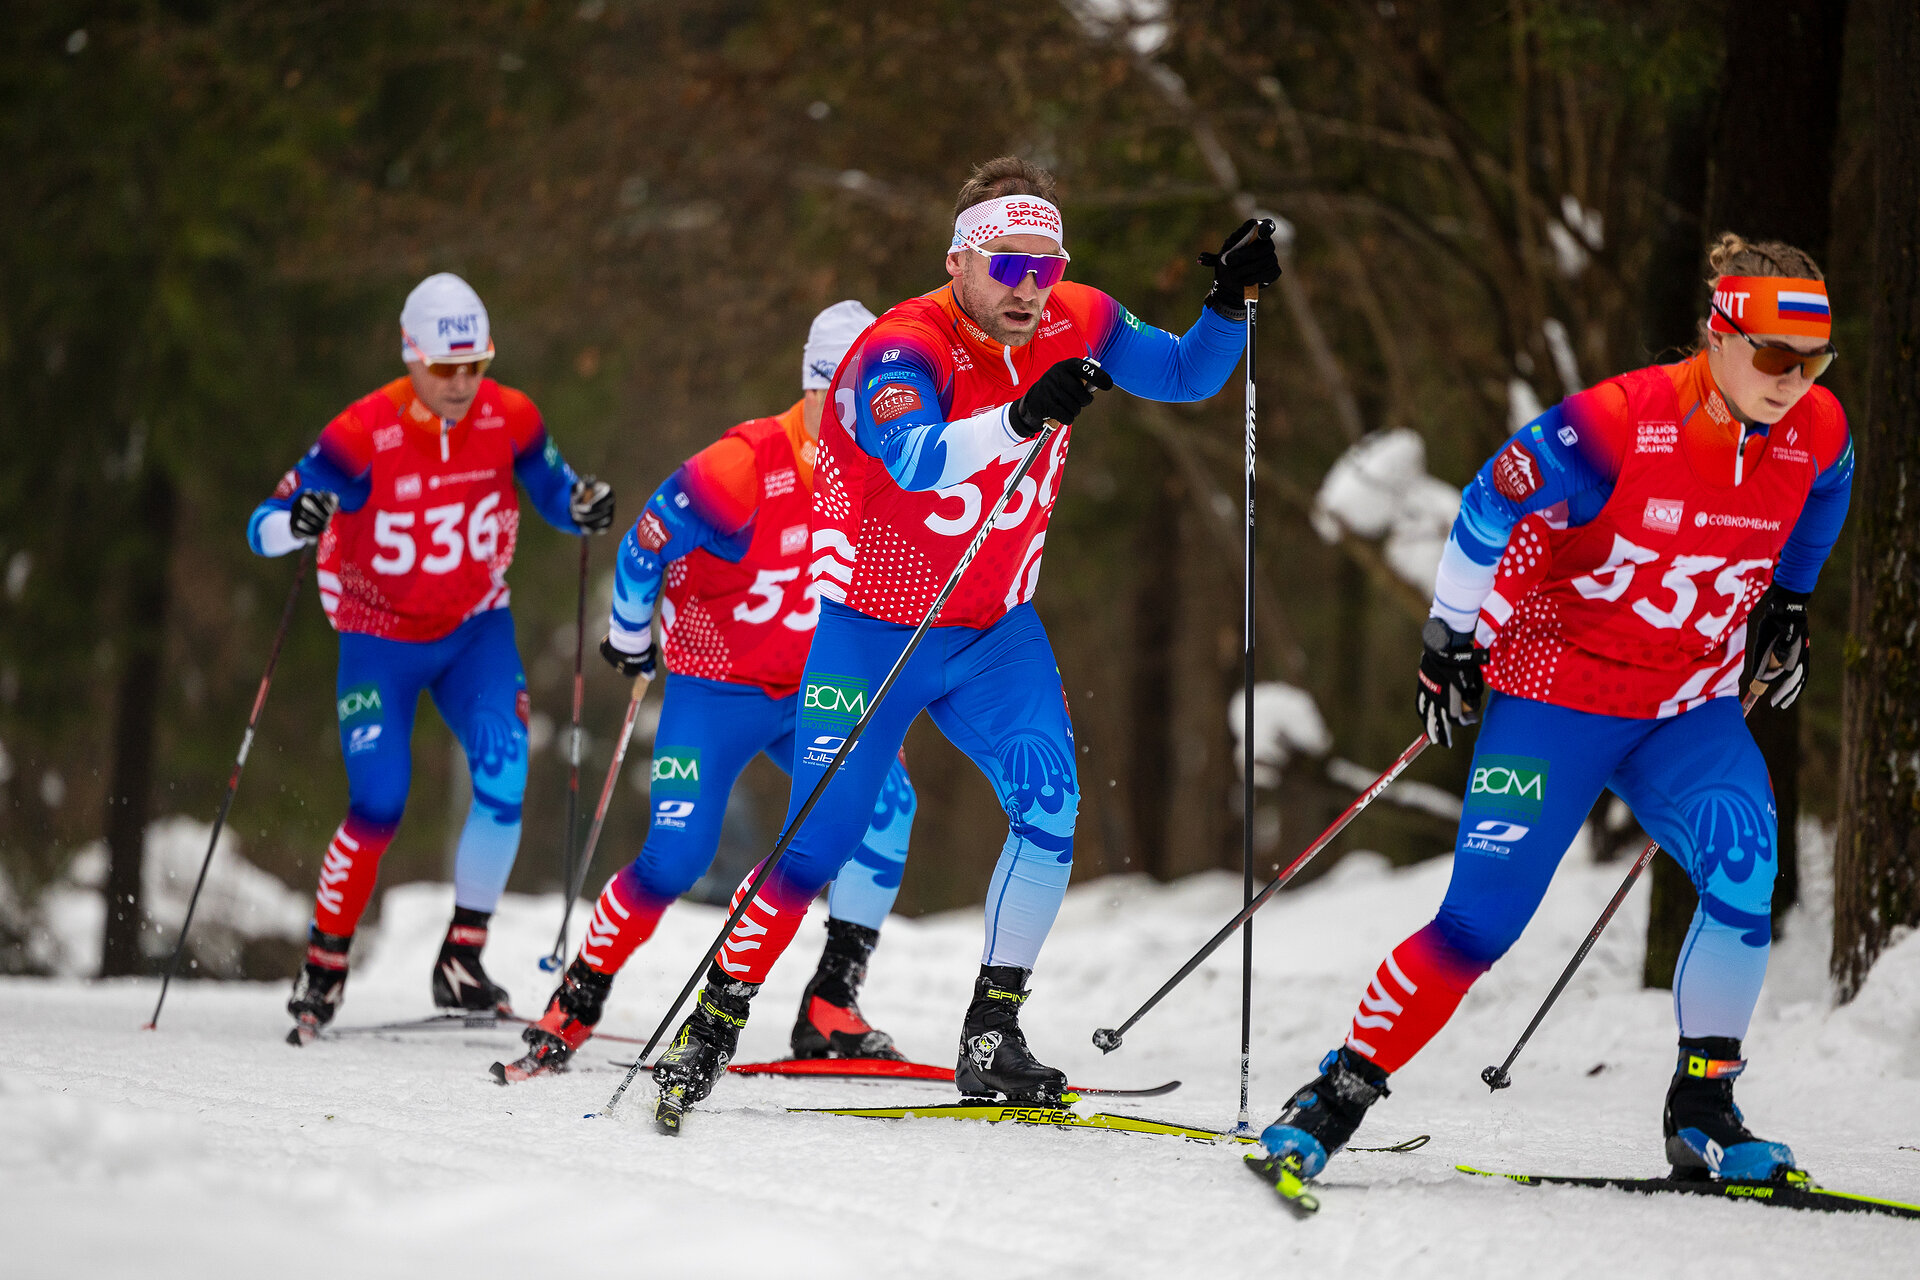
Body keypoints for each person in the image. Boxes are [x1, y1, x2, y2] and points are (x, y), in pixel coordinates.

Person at [649, 156, 1280, 1121]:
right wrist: (1022, 416)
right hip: (872, 634)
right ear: (959, 262)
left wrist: (1228, 303)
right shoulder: (902, 346)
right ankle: (715, 1022)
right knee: (821, 841)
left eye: (1046, 266)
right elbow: (914, 460)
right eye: (1008, 267)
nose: (1030, 288)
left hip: (993, 631)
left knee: (1050, 808)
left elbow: (1189, 376)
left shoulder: (1078, 316)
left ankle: (993, 1033)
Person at [1254, 234, 1852, 1187]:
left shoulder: (1817, 426)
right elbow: (1486, 507)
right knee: (1479, 924)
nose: (1794, 381)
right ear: (1719, 334)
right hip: (1557, 697)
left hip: (1684, 706)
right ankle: (1337, 1094)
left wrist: (1791, 595)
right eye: (1776, 356)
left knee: (1745, 875)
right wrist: (1451, 640)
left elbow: (1830, 485)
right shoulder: (1621, 420)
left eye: (1814, 361)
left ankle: (1704, 1111)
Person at [502, 301, 922, 1080]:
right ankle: (580, 995)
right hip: (715, 690)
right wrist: (630, 637)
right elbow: (641, 549)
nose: (872, 419)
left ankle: (832, 1003)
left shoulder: (896, 466)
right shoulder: (740, 468)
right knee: (677, 858)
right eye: (852, 398)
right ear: (817, 386)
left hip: (815, 690)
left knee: (889, 806)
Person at [249, 273, 617, 1040]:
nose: (460, 383)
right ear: (411, 355)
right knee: (378, 805)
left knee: (505, 777)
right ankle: (325, 962)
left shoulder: (511, 415)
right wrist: (297, 520)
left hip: (474, 633)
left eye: (475, 365)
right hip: (377, 638)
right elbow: (265, 525)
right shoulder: (362, 429)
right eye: (445, 367)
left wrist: (581, 503)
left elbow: (553, 490)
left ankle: (462, 958)